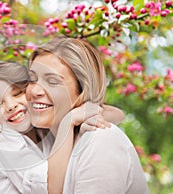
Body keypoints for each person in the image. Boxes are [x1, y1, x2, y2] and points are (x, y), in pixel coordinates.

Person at [0, 61, 123, 193]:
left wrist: (81, 113)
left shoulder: (42, 128)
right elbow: (49, 189)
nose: (10, 106)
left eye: (17, 93)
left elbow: (117, 115)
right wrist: (68, 121)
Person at [26, 36, 149, 193]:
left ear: (83, 89)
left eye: (52, 81)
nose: (35, 91)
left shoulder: (99, 140)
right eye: (32, 79)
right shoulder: (44, 142)